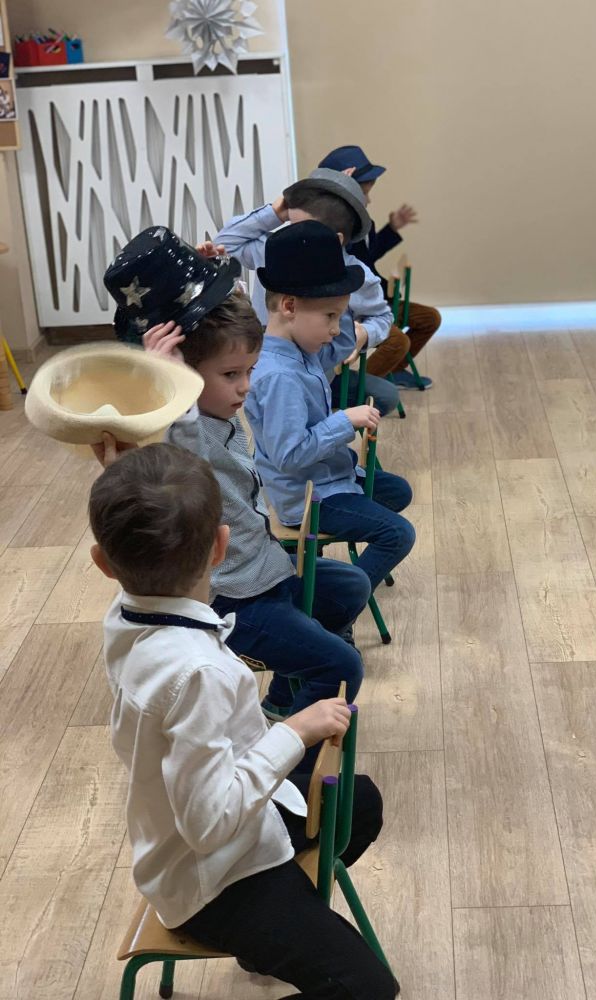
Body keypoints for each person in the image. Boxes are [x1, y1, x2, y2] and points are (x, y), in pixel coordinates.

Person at [89, 443, 398, 999]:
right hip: (213, 882)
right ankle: (268, 930)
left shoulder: (126, 612)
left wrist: (120, 476)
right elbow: (209, 825)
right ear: (221, 546)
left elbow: (138, 550)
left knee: (360, 801)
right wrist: (293, 732)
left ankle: (272, 939)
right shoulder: (197, 674)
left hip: (223, 831)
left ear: (104, 564)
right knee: (367, 990)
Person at [101, 227, 370, 732]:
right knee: (341, 666)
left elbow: (230, 334)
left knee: (350, 586)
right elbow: (181, 431)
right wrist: (169, 381)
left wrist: (216, 282)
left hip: (263, 567)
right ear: (182, 378)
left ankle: (283, 700)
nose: (246, 386)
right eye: (231, 375)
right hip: (232, 600)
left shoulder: (213, 405)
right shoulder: (180, 431)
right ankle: (293, 763)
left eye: (249, 370)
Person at [246, 219, 415, 595]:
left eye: (339, 315)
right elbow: (289, 455)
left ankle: (337, 584)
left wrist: (339, 298)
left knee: (398, 492)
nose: (337, 328)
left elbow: (341, 342)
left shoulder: (302, 350)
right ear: (289, 306)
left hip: (330, 478)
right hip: (307, 496)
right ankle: (338, 604)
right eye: (330, 317)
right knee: (398, 535)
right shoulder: (279, 376)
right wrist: (344, 421)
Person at [216, 167, 406, 413]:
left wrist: (364, 334)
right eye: (289, 225)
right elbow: (225, 243)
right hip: (264, 359)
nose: (292, 234)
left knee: (384, 397)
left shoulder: (356, 275)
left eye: (303, 230)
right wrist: (274, 213)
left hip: (316, 365)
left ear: (336, 240)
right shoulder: (275, 251)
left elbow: (382, 317)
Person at [319, 144, 442, 389]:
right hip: (354, 307)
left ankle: (391, 372)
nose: (369, 199)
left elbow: (370, 254)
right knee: (397, 341)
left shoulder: (366, 224)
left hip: (379, 299)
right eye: (364, 192)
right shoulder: (336, 230)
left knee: (430, 318)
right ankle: (360, 388)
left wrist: (392, 228)